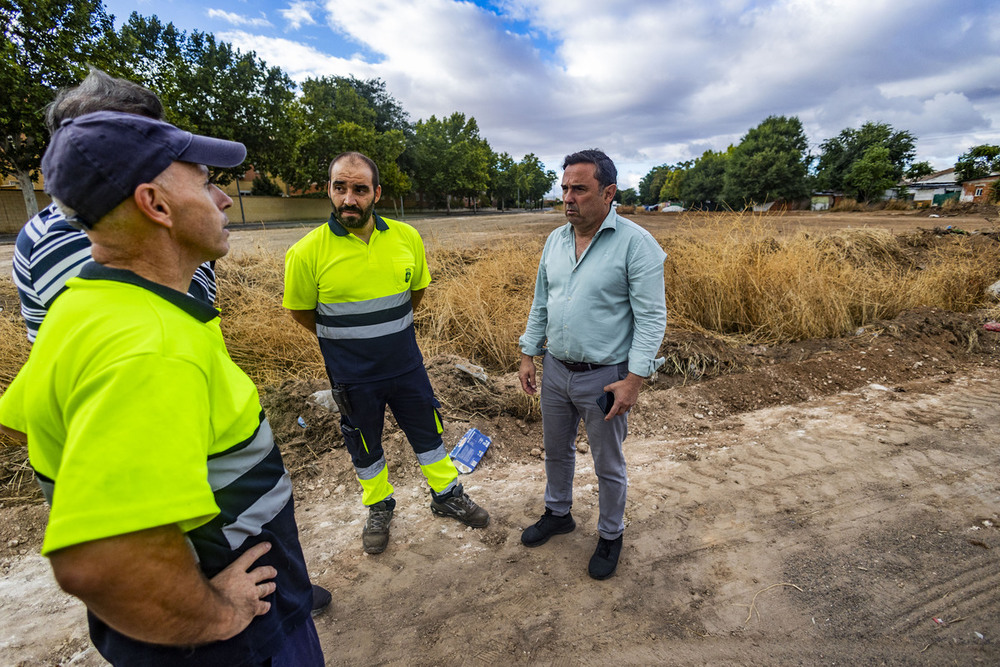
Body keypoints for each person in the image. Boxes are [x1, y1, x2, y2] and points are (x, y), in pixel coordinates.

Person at [0, 111, 325, 665]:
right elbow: (97, 562)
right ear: (156, 204)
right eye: (204, 181)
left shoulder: (88, 304)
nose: (223, 200)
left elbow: (19, 422)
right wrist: (222, 613)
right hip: (234, 642)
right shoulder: (150, 348)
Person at [283, 151, 489, 554]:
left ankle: (446, 495)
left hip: (406, 366)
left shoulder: (406, 237)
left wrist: (385, 334)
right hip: (352, 376)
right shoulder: (306, 252)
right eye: (339, 187)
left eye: (359, 189)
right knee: (364, 446)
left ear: (376, 193)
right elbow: (301, 311)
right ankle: (379, 506)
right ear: (329, 189)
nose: (348, 199)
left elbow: (418, 292)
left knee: (429, 434)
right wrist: (348, 341)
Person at [517, 149, 667, 580]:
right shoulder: (555, 240)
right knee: (556, 452)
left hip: (605, 379)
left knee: (608, 463)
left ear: (608, 192)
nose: (567, 197)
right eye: (564, 188)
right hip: (556, 371)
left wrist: (634, 379)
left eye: (578, 189)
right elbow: (541, 302)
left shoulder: (636, 244)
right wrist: (529, 354)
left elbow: (652, 318)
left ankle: (610, 533)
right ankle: (558, 513)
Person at [13, 67, 216, 344]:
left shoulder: (119, 215)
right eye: (138, 138)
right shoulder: (62, 237)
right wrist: (196, 233)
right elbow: (176, 316)